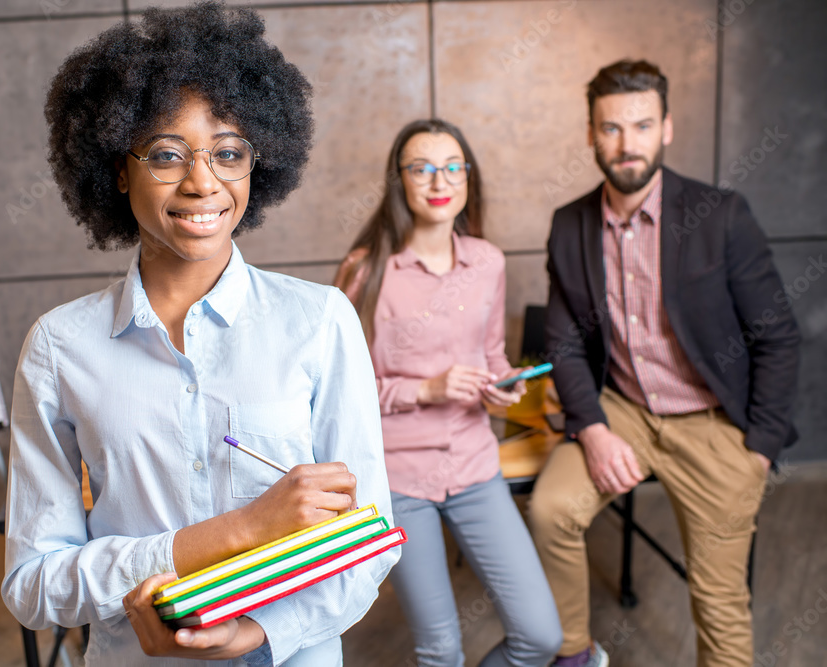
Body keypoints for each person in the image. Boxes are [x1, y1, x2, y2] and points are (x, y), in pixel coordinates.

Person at [0, 5, 399, 665]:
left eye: (228, 151)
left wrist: (256, 633)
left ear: (256, 164)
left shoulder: (321, 320)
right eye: (166, 153)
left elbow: (371, 540)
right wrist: (230, 533)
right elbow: (34, 584)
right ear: (117, 166)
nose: (202, 180)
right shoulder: (60, 346)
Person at [529, 59, 801, 667]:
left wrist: (757, 447)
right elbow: (566, 343)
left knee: (719, 597)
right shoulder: (569, 225)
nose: (627, 145)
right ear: (591, 134)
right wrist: (593, 428)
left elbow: (778, 337)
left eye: (642, 125)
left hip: (713, 422)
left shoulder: (722, 215)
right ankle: (574, 653)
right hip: (622, 410)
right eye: (611, 128)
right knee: (549, 512)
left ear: (667, 129)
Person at [334, 119, 562, 667]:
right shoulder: (364, 271)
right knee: (440, 651)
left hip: (476, 468)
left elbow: (492, 356)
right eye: (422, 167)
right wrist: (428, 389)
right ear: (400, 181)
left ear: (468, 178)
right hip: (399, 480)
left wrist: (499, 388)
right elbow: (343, 392)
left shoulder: (488, 261)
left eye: (453, 166)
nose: (441, 179)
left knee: (541, 638)